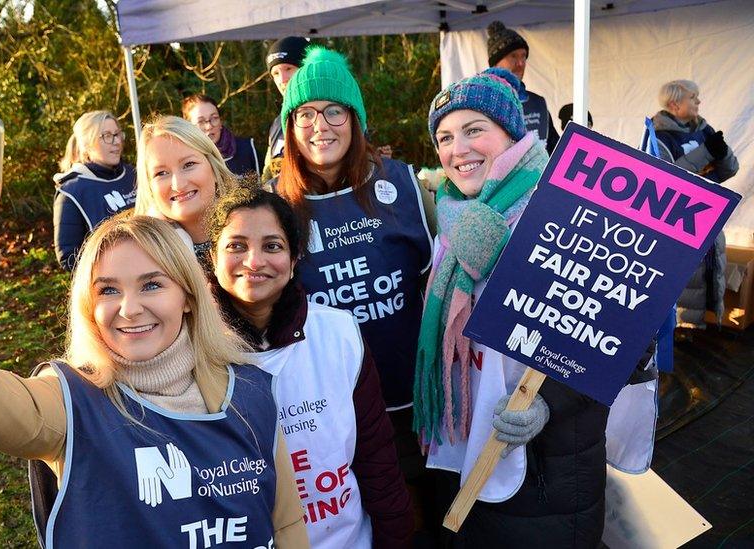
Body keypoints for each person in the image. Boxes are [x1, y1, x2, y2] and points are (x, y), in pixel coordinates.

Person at [0, 127, 309, 548]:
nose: (128, 309)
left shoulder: (250, 393)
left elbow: (285, 524)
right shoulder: (72, 406)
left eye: (152, 284)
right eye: (107, 289)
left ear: (189, 296)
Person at [417, 68, 657, 547]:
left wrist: (547, 406)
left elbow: (628, 344)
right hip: (467, 460)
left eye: (473, 130)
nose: (456, 150)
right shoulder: (451, 219)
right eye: (444, 137)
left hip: (550, 477)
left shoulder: (568, 210)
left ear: (510, 135)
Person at [271, 44, 435, 516]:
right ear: (290, 125)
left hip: (413, 407)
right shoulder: (275, 205)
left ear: (356, 118)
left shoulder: (402, 184)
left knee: (422, 518)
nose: (319, 126)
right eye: (304, 113)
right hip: (325, 416)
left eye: (334, 111)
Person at [207, 183, 415, 548]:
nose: (254, 261)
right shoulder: (190, 350)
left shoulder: (337, 332)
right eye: (236, 246)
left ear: (294, 258)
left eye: (272, 246)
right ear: (212, 257)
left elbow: (377, 459)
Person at [647, 79, 738, 329]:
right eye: (693, 97)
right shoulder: (658, 135)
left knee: (713, 266)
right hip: (678, 217)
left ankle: (709, 321)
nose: (699, 101)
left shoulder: (705, 130)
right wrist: (707, 155)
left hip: (709, 210)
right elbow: (668, 178)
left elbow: (730, 169)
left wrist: (721, 153)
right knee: (686, 274)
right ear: (675, 104)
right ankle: (682, 328)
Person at [133, 116, 235, 273]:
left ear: (213, 167)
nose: (178, 184)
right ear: (149, 186)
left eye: (189, 165)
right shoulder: (139, 254)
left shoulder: (256, 225)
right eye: (161, 173)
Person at [53, 110, 136, 270]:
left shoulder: (134, 174)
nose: (116, 141)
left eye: (117, 134)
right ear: (87, 145)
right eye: (106, 135)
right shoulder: (72, 191)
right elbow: (68, 256)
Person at [486, 21, 559, 154]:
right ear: (495, 63)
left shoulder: (537, 103)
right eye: (513, 56)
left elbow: (555, 151)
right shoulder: (481, 102)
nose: (520, 63)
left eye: (523, 56)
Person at [263, 36, 310, 182]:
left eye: (288, 69)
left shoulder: (325, 116)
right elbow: (268, 172)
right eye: (275, 73)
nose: (282, 79)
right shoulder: (278, 122)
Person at [182, 94, 260, 178]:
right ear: (189, 126)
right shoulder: (185, 159)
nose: (209, 126)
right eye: (200, 122)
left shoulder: (246, 148)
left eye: (214, 118)